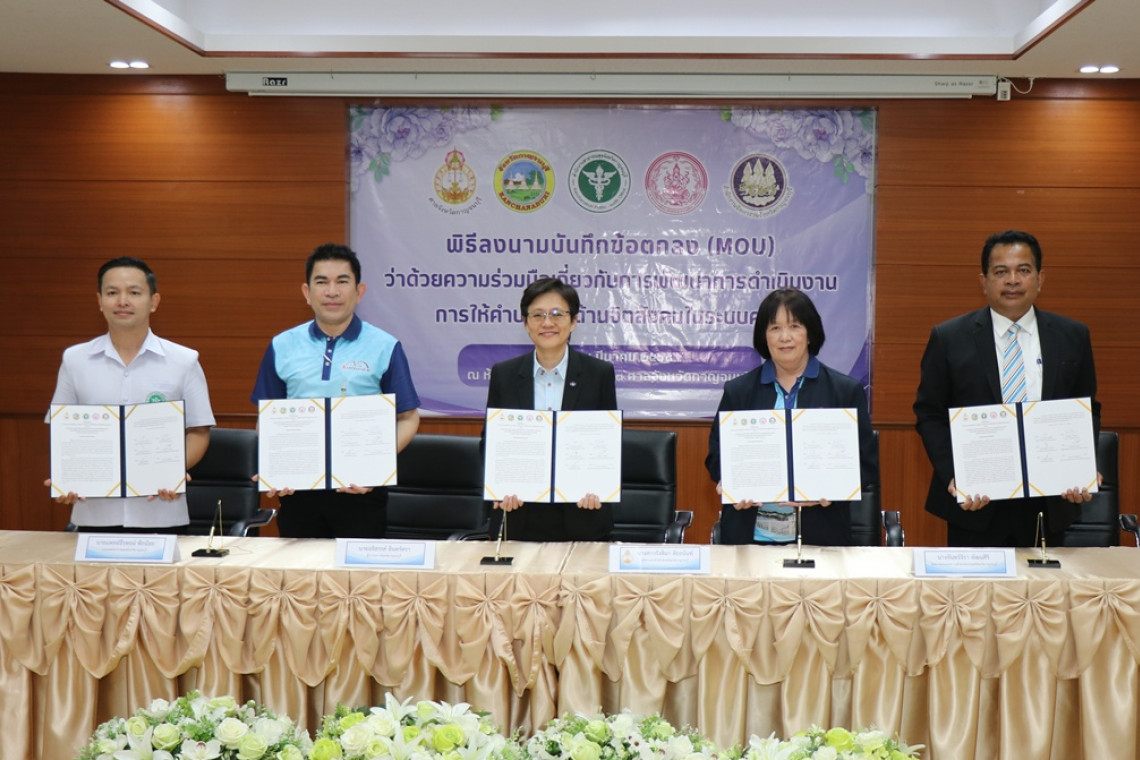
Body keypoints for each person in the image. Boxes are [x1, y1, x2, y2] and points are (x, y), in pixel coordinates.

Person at [914, 229, 1100, 547]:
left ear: (1040, 279)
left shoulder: (1072, 336)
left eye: (1023, 270)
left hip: (1050, 501)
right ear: (984, 281)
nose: (1012, 280)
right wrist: (955, 475)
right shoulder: (949, 338)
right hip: (976, 504)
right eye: (1001, 272)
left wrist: (1082, 468)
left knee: (1044, 581)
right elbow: (929, 413)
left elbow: (1086, 409)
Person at [251, 243, 420, 538]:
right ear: (307, 292)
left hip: (361, 492)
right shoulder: (282, 345)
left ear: (359, 291)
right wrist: (274, 465)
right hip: (298, 492)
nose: (332, 292)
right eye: (322, 282)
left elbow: (408, 418)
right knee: (299, 568)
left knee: (357, 569)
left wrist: (376, 463)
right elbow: (266, 418)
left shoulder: (385, 346)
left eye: (342, 281)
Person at [46, 256, 215, 531]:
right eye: (112, 292)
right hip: (94, 513)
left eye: (134, 293)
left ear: (154, 301)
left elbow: (198, 431)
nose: (122, 301)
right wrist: (67, 476)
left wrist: (170, 471)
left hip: (161, 512)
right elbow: (62, 429)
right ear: (100, 301)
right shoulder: (75, 360)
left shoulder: (184, 361)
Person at [706, 288, 878, 546]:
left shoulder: (844, 391)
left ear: (810, 334)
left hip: (821, 536)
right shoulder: (738, 391)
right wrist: (731, 483)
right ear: (764, 337)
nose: (784, 337)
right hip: (750, 538)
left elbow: (866, 464)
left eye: (794, 326)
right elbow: (716, 456)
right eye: (775, 328)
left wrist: (832, 490)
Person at [483, 277, 618, 541]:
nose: (547, 323)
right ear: (526, 323)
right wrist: (498, 488)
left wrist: (598, 487)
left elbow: (607, 441)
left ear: (574, 321)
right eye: (538, 315)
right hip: (518, 512)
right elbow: (490, 442)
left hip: (581, 513)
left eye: (557, 314)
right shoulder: (504, 374)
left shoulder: (598, 373)